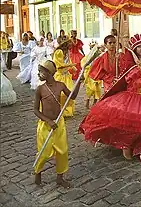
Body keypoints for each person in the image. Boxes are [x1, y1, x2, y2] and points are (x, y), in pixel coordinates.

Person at [79, 34, 141, 162]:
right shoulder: (133, 66)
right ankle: (126, 146)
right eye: (140, 46)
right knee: (131, 125)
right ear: (134, 49)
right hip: (134, 98)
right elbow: (133, 84)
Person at [33, 60, 83, 188]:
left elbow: (72, 97)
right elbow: (35, 110)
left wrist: (79, 82)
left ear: (49, 73)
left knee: (63, 151)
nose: (39, 73)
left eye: (41, 71)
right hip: (45, 125)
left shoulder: (60, 85)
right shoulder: (40, 89)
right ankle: (38, 172)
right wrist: (48, 121)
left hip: (59, 123)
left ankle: (60, 177)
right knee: (44, 152)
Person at [53, 39, 77, 117]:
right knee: (61, 94)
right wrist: (70, 65)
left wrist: (74, 69)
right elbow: (58, 65)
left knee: (69, 93)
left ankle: (67, 110)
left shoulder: (67, 52)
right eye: (70, 44)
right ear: (66, 43)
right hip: (60, 76)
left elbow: (68, 62)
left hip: (67, 76)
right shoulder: (59, 52)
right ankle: (59, 110)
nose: (71, 46)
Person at [81, 41, 102, 108]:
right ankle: (87, 101)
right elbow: (84, 65)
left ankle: (94, 103)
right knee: (90, 89)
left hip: (97, 75)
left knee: (97, 89)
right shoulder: (87, 58)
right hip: (90, 75)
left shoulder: (99, 57)